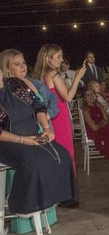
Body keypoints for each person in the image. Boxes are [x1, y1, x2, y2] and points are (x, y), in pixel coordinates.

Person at [0, 70, 77, 235]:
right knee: (33, 161)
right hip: (7, 141)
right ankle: (23, 205)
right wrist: (22, 140)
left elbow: (38, 107)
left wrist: (46, 128)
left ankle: (48, 199)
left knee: (62, 155)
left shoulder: (14, 83)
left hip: (33, 135)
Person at [38, 44, 86, 174]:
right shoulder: (53, 74)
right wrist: (77, 77)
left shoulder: (43, 75)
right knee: (67, 150)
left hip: (53, 116)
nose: (61, 60)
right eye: (58, 56)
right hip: (60, 115)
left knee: (57, 151)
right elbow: (68, 97)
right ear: (48, 58)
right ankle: (69, 183)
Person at [0, 49, 58, 120]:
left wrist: (49, 114)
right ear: (7, 68)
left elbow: (52, 97)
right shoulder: (5, 90)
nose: (23, 66)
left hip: (46, 129)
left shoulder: (36, 83)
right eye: (17, 64)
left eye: (23, 62)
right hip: (24, 130)